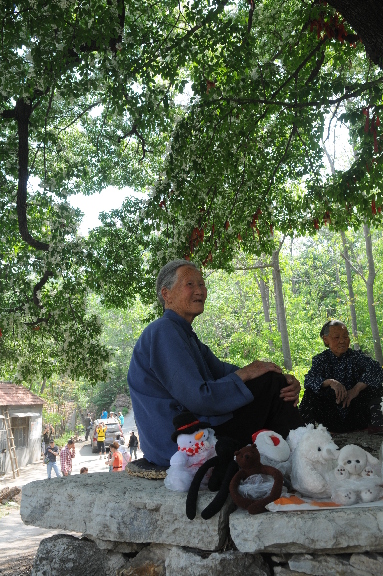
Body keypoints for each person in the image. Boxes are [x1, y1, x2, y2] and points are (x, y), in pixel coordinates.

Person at [127, 259, 302, 473]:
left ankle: (294, 455)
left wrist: (280, 376)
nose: (199, 290)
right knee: (272, 385)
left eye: (202, 284)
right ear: (166, 294)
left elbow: (226, 372)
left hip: (200, 429)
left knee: (274, 382)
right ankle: (301, 457)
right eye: (190, 284)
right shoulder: (163, 331)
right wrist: (257, 375)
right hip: (182, 442)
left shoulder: (186, 336)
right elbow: (199, 398)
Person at [299, 320, 383, 433]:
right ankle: (303, 432)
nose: (342, 341)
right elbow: (309, 380)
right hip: (332, 416)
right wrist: (331, 382)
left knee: (375, 386)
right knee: (311, 393)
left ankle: (377, 425)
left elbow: (377, 370)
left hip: (356, 414)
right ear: (325, 339)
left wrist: (356, 389)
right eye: (337, 337)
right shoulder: (321, 360)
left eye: (345, 336)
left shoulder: (356, 357)